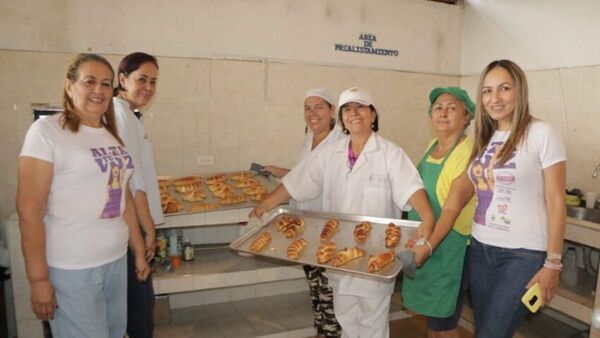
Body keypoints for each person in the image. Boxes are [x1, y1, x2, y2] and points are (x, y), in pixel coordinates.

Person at [251, 87, 435, 338]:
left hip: (375, 257)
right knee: (345, 318)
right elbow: (296, 182)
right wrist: (264, 206)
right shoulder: (330, 154)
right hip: (339, 255)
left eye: (360, 107)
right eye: (347, 109)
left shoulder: (390, 153)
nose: (354, 113)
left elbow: (412, 188)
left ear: (373, 115)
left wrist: (427, 216)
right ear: (342, 118)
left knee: (372, 323)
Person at [17, 53, 150, 338]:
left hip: (114, 260)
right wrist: (38, 279)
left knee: (115, 333)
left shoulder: (109, 134)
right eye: (89, 81)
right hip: (72, 267)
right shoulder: (47, 131)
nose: (99, 90)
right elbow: (29, 210)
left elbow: (123, 198)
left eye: (105, 83)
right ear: (69, 85)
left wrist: (138, 250)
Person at [433, 60, 566, 338]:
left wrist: (553, 263)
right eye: (487, 91)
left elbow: (556, 201)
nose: (495, 98)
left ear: (519, 91)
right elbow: (464, 188)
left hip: (523, 255)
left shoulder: (542, 133)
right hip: (481, 249)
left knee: (492, 333)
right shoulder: (487, 138)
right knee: (486, 329)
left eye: (504, 88)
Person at [263, 88, 344, 338]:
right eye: (307, 108)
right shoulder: (308, 139)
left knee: (329, 289)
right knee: (315, 287)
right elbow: (305, 176)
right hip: (307, 227)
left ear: (332, 110)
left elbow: (316, 183)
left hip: (330, 228)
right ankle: (321, 331)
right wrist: (281, 171)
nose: (312, 113)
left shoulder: (341, 143)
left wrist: (268, 202)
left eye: (319, 107)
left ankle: (331, 333)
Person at [401, 87, 477, 338]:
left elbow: (452, 210)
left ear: (466, 117)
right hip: (425, 239)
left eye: (452, 108)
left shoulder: (469, 152)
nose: (443, 113)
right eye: (438, 107)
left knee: (444, 323)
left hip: (450, 247)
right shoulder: (432, 145)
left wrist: (430, 246)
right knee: (433, 320)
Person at [113, 52, 163, 338]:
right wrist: (148, 229)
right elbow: (133, 183)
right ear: (123, 79)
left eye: (153, 81)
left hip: (129, 225)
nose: (148, 87)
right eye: (141, 79)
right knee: (140, 310)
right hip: (131, 227)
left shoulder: (126, 115)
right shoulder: (122, 117)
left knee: (139, 305)